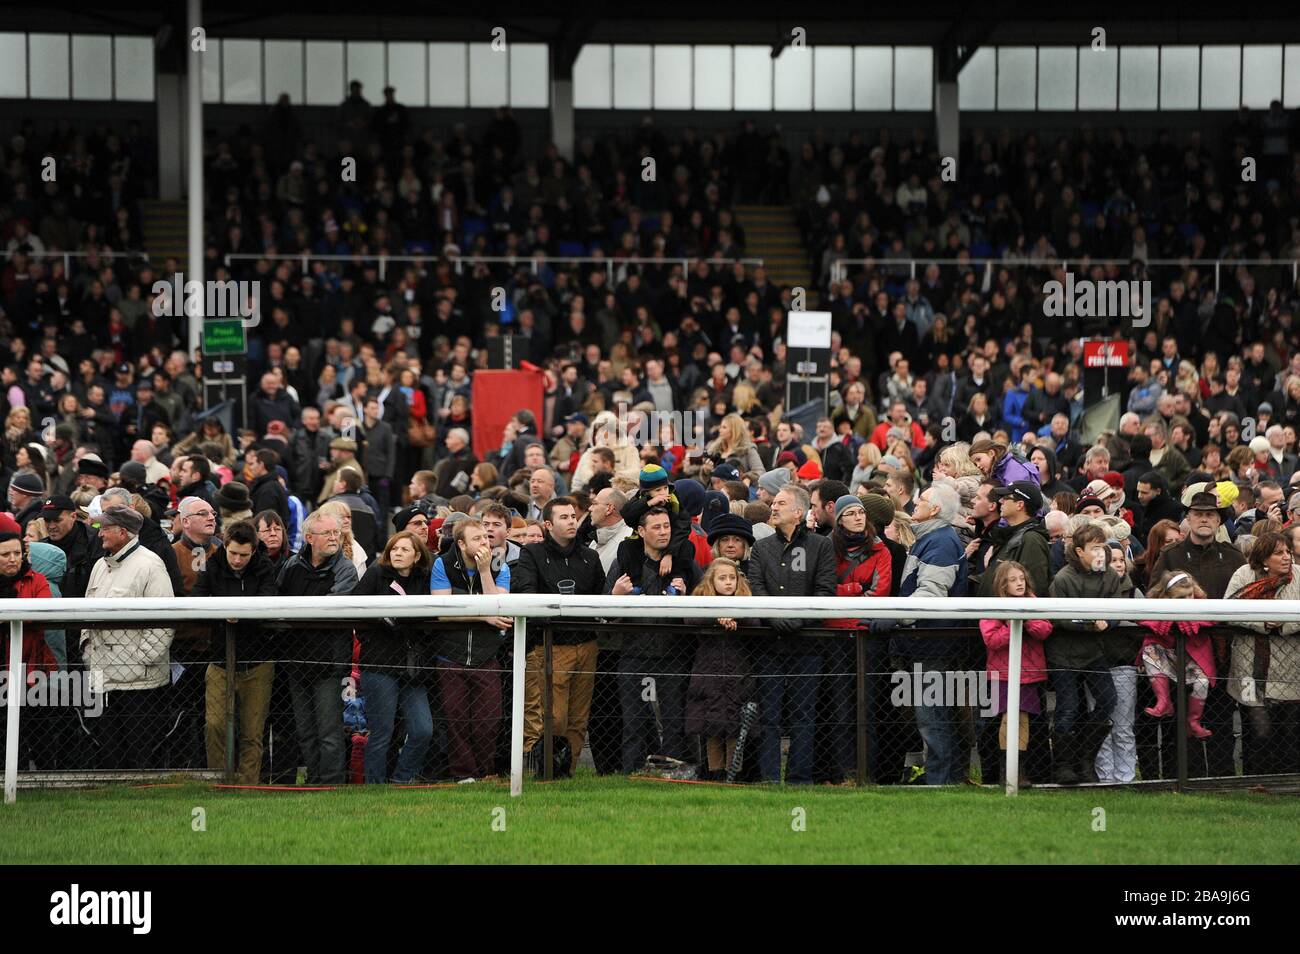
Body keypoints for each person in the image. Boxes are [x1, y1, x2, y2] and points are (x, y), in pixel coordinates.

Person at [1148, 491, 1246, 777]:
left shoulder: (1233, 556)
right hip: (1177, 648)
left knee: (1220, 716)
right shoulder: (1171, 555)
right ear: (1188, 519)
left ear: (1219, 521)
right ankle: (1181, 777)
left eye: (1210, 514)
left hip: (1220, 650)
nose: (1204, 518)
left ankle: (1221, 777)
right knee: (1177, 720)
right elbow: (1154, 597)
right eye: (1198, 514)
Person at [745, 484, 837, 784]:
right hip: (769, 645)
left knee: (803, 716)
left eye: (781, 503)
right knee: (768, 717)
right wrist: (776, 619)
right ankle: (770, 778)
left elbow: (825, 591)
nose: (773, 507)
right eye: (774, 502)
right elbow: (755, 588)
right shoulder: (761, 547)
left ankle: (799, 778)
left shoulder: (821, 546)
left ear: (798, 511)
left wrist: (794, 621)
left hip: (808, 645)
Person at [882, 482, 971, 785]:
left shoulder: (942, 542)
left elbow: (931, 595)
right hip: (926, 642)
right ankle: (946, 776)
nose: (915, 504)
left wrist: (892, 618)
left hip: (933, 645)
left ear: (934, 510)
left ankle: (939, 780)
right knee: (933, 715)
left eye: (921, 501)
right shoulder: (932, 537)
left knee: (932, 717)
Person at [510, 496, 605, 776]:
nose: (571, 521)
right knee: (553, 717)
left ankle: (567, 774)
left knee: (578, 718)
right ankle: (541, 772)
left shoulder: (591, 556)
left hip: (586, 644)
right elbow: (526, 593)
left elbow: (600, 596)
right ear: (548, 524)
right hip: (550, 645)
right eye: (564, 517)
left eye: (573, 516)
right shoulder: (532, 554)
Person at [607, 506, 700, 772]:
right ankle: (632, 772)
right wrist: (615, 596)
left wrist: (686, 598)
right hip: (633, 653)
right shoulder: (624, 562)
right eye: (656, 527)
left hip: (674, 654)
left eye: (667, 526)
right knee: (634, 721)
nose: (663, 532)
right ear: (641, 531)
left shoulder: (685, 563)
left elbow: (704, 601)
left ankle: (670, 772)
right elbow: (603, 613)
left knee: (673, 720)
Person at [82, 505, 175, 769]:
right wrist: (87, 648)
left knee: (139, 753)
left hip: (139, 684)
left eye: (105, 528)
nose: (99, 533)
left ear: (123, 532)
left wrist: (141, 660)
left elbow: (164, 621)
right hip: (103, 676)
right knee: (108, 751)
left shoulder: (150, 565)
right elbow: (86, 610)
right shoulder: (100, 565)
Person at [275, 510, 358, 784]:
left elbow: (327, 609)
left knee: (329, 730)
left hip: (330, 663)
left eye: (337, 533)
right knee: (305, 730)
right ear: (310, 538)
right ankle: (313, 779)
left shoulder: (345, 569)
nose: (335, 538)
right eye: (328, 533)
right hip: (296, 660)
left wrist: (296, 615)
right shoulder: (290, 567)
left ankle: (331, 783)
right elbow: (277, 606)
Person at [194, 519, 278, 783]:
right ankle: (220, 780)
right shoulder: (212, 564)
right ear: (225, 546)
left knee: (252, 731)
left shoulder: (265, 566)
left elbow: (268, 603)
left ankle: (248, 785)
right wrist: (223, 613)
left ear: (253, 550)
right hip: (219, 660)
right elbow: (196, 599)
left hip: (258, 662)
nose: (238, 560)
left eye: (244, 555)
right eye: (233, 553)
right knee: (215, 725)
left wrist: (240, 614)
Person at [429, 518, 512, 782]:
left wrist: (485, 571)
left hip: (486, 656)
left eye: (486, 538)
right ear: (461, 543)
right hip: (450, 655)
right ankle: (464, 775)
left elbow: (498, 607)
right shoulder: (443, 564)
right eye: (477, 539)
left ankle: (485, 771)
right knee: (456, 719)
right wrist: (482, 615)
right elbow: (442, 613)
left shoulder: (499, 565)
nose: (484, 543)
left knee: (488, 720)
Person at [355, 530, 435, 783]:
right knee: (382, 732)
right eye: (394, 549)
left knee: (423, 729)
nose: (397, 553)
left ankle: (401, 780)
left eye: (404, 550)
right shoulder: (376, 573)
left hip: (413, 667)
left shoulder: (425, 578)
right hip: (379, 664)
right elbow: (355, 607)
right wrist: (383, 622)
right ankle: (375, 787)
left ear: (417, 556)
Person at [1046, 523, 1123, 785]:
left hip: (1094, 653)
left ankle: (1085, 759)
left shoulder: (1110, 576)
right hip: (1064, 655)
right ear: (1079, 551)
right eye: (1094, 548)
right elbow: (1057, 619)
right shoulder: (1063, 578)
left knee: (1108, 701)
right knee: (1068, 708)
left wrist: (1108, 622)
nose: (1100, 552)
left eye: (1102, 547)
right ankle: (1063, 766)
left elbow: (1118, 609)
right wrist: (1089, 623)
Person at [1225, 530, 1300, 775]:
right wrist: (1262, 623)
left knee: (1289, 731)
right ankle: (1256, 782)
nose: (1286, 557)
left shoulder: (1298, 576)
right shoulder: (1243, 575)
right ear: (1264, 558)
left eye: (1288, 551)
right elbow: (1228, 609)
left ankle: (1287, 785)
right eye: (1279, 553)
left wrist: (1286, 623)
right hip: (1249, 667)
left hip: (1291, 669)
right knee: (1259, 730)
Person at [979, 560, 1052, 786]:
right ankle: (1007, 771)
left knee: (1023, 721)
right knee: (1008, 719)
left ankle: (1018, 770)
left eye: (1021, 579)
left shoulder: (1033, 603)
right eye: (1012, 580)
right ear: (1003, 584)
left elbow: (1044, 629)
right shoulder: (994, 607)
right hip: (1003, 674)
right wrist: (1013, 623)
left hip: (1029, 673)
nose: (1019, 584)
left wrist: (1025, 618)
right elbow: (991, 639)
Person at [684, 558, 755, 780]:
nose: (728, 583)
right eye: (722, 578)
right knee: (711, 726)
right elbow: (690, 620)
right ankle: (715, 773)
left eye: (732, 578)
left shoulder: (747, 602)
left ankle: (734, 772)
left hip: (738, 674)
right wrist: (717, 618)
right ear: (711, 581)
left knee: (736, 725)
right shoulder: (700, 601)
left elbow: (757, 623)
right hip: (708, 673)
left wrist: (738, 619)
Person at [0, 513, 57, 769]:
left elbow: (43, 612)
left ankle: (43, 783)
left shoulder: (37, 580)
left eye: (16, 553)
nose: (12, 559)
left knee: (39, 733)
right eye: (5, 555)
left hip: (33, 670)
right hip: (3, 667)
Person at [1138, 571, 1216, 742]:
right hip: (1166, 657)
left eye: (1190, 595)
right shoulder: (1156, 605)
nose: (1188, 600)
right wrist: (1165, 618)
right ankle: (1163, 702)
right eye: (1181, 598)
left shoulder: (1203, 603)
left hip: (1194, 659)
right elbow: (1140, 617)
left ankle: (1193, 722)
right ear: (1167, 597)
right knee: (1149, 651)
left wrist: (1196, 620)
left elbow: (1216, 618)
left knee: (1202, 682)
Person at [975, 480, 1050, 597]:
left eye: (1006, 498)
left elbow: (1033, 587)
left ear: (1019, 505)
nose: (1000, 501)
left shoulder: (1031, 539)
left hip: (1009, 614)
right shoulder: (1011, 535)